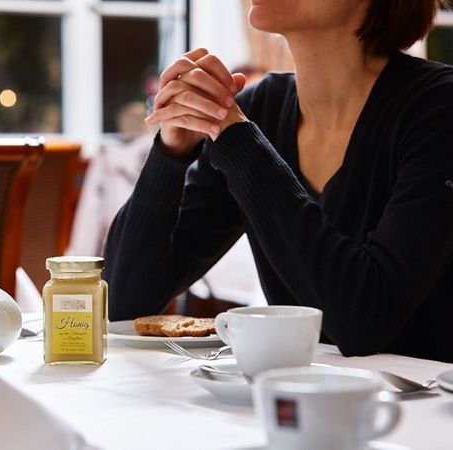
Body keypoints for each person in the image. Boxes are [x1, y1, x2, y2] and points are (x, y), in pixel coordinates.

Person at [103, 0, 453, 362]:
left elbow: (362, 323)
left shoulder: (439, 109)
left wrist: (239, 142)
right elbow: (126, 303)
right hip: (299, 401)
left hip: (425, 410)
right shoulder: (261, 111)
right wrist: (171, 152)